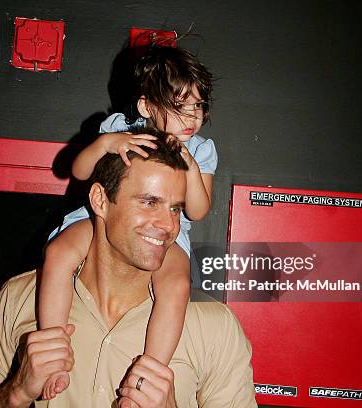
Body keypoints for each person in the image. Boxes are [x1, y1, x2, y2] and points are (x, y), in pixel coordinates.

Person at [0, 136, 256, 407]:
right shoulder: (19, 297)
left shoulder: (216, 327)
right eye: (149, 202)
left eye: (175, 208)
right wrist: (15, 393)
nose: (169, 226)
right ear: (100, 200)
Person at [39, 45, 217, 399]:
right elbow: (75, 171)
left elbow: (197, 210)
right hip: (98, 216)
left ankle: (148, 378)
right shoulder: (120, 128)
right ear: (146, 106)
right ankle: (52, 356)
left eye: (197, 105)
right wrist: (106, 143)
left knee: (177, 285)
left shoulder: (200, 149)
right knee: (58, 252)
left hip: (169, 233)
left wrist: (191, 168)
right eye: (180, 106)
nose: (191, 116)